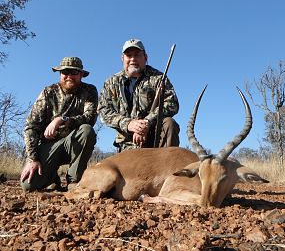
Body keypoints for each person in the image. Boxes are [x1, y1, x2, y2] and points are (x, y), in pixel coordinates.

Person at [20, 56, 98, 191]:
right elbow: (31, 126)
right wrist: (33, 158)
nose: (69, 76)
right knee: (28, 185)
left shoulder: (89, 91)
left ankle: (74, 181)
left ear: (81, 74)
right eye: (65, 72)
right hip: (49, 146)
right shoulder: (48, 92)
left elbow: (90, 117)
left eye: (74, 72)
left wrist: (62, 119)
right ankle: (52, 178)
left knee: (86, 130)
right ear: (60, 74)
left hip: (73, 143)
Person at [98, 39, 180, 151]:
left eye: (137, 55)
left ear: (145, 57)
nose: (133, 59)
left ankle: (169, 165)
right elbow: (103, 110)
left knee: (169, 123)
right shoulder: (111, 83)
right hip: (127, 142)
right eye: (129, 55)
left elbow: (172, 103)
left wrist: (147, 122)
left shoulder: (158, 78)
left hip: (155, 138)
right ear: (122, 58)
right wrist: (129, 124)